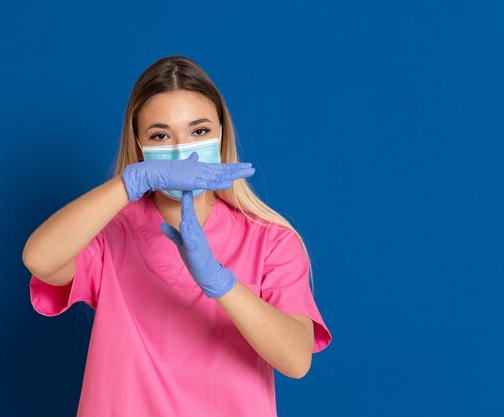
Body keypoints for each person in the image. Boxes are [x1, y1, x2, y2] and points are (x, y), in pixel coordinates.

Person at [22, 55, 332, 417]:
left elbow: (296, 360)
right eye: (160, 135)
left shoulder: (270, 241)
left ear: (221, 134)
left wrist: (220, 283)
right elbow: (38, 259)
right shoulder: (110, 232)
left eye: (199, 131)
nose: (181, 150)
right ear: (139, 146)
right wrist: (130, 183)